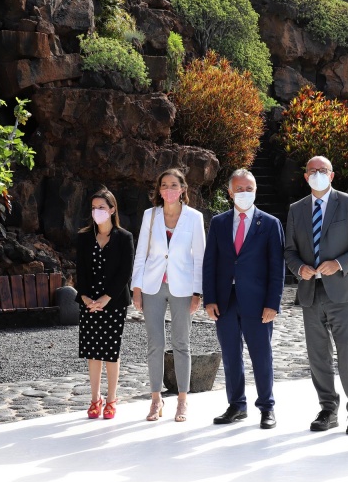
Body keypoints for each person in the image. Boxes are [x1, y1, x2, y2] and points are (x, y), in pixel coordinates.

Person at [284, 156, 348, 434]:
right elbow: (289, 251)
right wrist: (299, 268)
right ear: (305, 176)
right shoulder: (296, 209)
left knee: (347, 351)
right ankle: (328, 409)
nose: (317, 174)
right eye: (312, 170)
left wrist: (339, 264)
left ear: (331, 175)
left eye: (323, 170)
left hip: (343, 291)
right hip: (311, 292)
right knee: (317, 355)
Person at [203, 169, 285, 429]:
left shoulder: (270, 223)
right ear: (230, 193)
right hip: (225, 301)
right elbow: (210, 263)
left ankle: (267, 407)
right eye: (239, 189)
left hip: (258, 302)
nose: (244, 193)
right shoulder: (219, 223)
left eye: (249, 188)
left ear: (256, 190)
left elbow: (277, 267)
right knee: (230, 355)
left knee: (261, 355)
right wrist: (209, 299)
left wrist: (273, 303)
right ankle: (236, 405)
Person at [132, 169, 205, 423]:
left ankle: (182, 400)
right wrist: (136, 288)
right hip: (152, 286)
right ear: (159, 190)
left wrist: (197, 292)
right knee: (155, 344)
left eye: (174, 185)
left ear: (183, 188)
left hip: (183, 288)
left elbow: (200, 257)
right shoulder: (150, 215)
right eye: (164, 185)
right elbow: (141, 252)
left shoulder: (194, 217)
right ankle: (156, 399)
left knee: (181, 343)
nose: (169, 189)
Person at [75, 188, 134, 420]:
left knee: (110, 351)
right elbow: (80, 271)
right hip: (89, 302)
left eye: (101, 207)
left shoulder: (124, 237)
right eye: (93, 207)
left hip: (114, 302)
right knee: (92, 352)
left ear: (112, 209)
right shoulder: (84, 237)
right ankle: (94, 399)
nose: (97, 211)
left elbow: (125, 272)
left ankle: (111, 399)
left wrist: (106, 298)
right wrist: (86, 298)